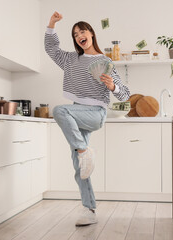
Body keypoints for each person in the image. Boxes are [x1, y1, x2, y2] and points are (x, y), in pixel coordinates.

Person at [45, 12, 130, 226]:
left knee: (59, 111)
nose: (79, 36)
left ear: (91, 33)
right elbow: (51, 49)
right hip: (77, 112)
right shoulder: (71, 60)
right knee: (79, 166)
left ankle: (83, 151)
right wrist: (51, 25)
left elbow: (125, 94)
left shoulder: (105, 61)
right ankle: (89, 209)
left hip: (96, 113)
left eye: (82, 31)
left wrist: (113, 86)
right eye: (75, 34)